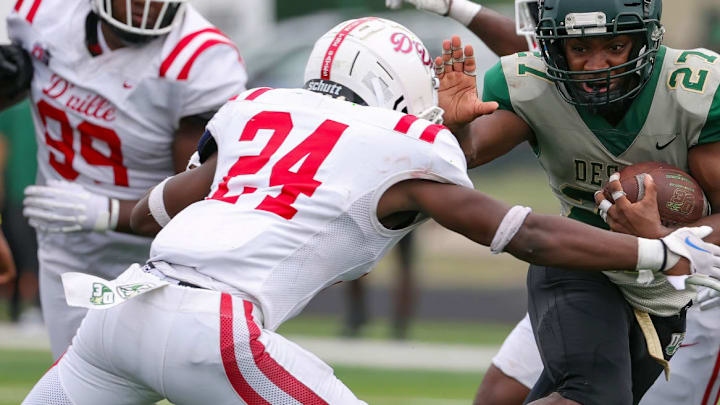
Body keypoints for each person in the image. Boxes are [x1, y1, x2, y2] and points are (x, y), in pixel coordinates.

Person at [21, 17, 720, 405]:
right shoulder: (399, 141)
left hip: (121, 310)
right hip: (215, 326)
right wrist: (658, 252)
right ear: (400, 86)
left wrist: (97, 214)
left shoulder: (260, 110)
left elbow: (160, 206)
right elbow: (524, 231)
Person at [436, 0, 720, 403]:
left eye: (615, 47)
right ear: (555, 48)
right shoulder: (534, 85)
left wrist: (663, 238)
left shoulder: (693, 90)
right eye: (580, 49)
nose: (597, 65)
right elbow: (469, 153)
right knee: (585, 396)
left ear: (644, 42)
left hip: (672, 287)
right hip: (583, 259)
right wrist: (457, 127)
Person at [1, 0, 247, 359]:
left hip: (161, 263)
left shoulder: (202, 59)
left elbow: (200, 205)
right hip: (66, 250)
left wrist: (104, 213)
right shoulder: (40, 14)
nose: (146, 5)